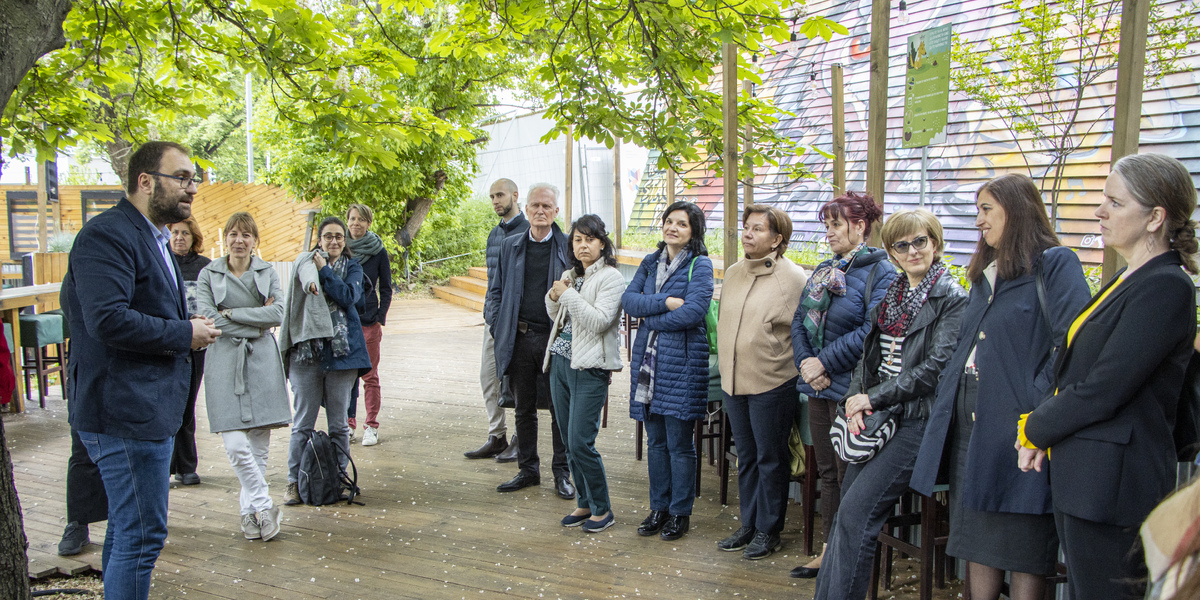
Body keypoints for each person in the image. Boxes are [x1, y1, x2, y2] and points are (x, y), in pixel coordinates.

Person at [1018, 153, 1199, 600]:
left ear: (1156, 217)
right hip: (1085, 476)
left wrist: (1036, 427)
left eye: (1115, 203)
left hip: (1115, 485)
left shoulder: (1167, 286)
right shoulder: (1130, 277)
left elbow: (1105, 387)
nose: (1100, 211)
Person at [907, 174, 1091, 600]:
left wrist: (1037, 401)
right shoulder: (987, 275)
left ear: (1018, 209)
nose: (978, 221)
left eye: (987, 209)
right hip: (972, 426)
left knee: (1025, 548)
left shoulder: (1056, 263)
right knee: (977, 541)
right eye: (977, 210)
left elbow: (1074, 344)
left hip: (1021, 430)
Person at [62, 140, 221, 600]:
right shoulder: (107, 235)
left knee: (128, 532)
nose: (192, 188)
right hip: (124, 412)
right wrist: (184, 334)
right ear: (145, 181)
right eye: (183, 178)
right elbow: (107, 319)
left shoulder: (152, 236)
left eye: (195, 179)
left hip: (145, 410)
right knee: (143, 536)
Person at [812, 209, 967, 600]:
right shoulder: (894, 295)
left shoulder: (952, 298)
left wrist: (872, 397)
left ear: (936, 243)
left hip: (918, 422)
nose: (913, 250)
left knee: (856, 516)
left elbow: (935, 369)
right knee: (847, 511)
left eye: (921, 241)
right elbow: (869, 358)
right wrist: (857, 402)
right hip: (880, 416)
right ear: (892, 252)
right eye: (902, 244)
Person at [788, 192, 895, 579]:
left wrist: (824, 361)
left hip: (851, 390)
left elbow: (871, 331)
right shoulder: (824, 269)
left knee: (851, 474)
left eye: (836, 224)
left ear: (860, 226)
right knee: (828, 473)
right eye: (827, 225)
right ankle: (828, 550)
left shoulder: (882, 272)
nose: (829, 232)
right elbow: (799, 320)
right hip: (818, 387)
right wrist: (805, 364)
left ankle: (846, 554)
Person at [716, 205, 809, 559]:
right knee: (748, 455)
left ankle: (769, 530)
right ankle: (749, 523)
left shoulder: (793, 278)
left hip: (772, 380)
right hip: (734, 381)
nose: (748, 234)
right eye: (746, 227)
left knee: (771, 457)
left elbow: (804, 330)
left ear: (777, 239)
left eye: (758, 229)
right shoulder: (736, 272)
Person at [622, 201, 714, 542]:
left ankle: (680, 513)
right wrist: (664, 302)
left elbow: (694, 312)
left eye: (682, 224)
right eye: (669, 221)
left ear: (694, 231)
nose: (673, 228)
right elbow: (629, 301)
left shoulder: (700, 265)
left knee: (679, 443)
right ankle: (658, 508)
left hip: (682, 366)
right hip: (648, 364)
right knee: (656, 441)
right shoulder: (649, 262)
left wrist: (651, 316)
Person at [195, 212, 291, 540]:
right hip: (224, 361)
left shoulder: (266, 271)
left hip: (262, 361)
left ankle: (248, 514)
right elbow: (208, 319)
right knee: (236, 443)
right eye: (233, 234)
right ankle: (264, 505)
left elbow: (278, 313)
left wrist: (233, 313)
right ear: (225, 238)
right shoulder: (209, 273)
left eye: (246, 235)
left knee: (258, 446)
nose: (239, 240)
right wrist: (256, 321)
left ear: (255, 241)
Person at [485, 182, 573, 498]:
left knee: (559, 409)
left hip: (555, 340)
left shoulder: (567, 246)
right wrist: (498, 326)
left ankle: (562, 473)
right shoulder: (511, 246)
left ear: (556, 212)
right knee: (523, 409)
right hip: (520, 337)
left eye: (546, 207)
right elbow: (495, 291)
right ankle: (528, 470)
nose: (540, 211)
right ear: (526, 208)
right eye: (535, 205)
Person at [281, 216, 373, 505]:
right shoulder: (304, 264)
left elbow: (348, 296)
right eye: (328, 236)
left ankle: (338, 479)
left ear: (345, 241)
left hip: (342, 355)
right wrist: (317, 270)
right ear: (318, 240)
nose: (334, 241)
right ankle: (293, 482)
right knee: (302, 423)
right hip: (307, 354)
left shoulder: (353, 267)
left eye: (339, 237)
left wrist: (327, 273)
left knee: (338, 425)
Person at [544, 214, 625, 533]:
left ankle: (603, 509)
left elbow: (598, 321)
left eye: (589, 239)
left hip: (590, 368)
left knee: (581, 441)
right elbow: (559, 316)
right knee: (567, 439)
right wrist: (553, 297)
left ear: (602, 243)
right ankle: (585, 501)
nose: (583, 245)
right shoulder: (570, 275)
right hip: (560, 364)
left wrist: (566, 294)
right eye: (577, 239)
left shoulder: (611, 278)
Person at [465, 178, 529, 461]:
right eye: (492, 196)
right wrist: (490, 314)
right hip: (493, 320)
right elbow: (493, 282)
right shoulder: (494, 234)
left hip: (519, 324)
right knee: (488, 378)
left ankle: (520, 438)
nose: (495, 201)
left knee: (517, 383)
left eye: (500, 195)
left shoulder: (529, 231)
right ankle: (497, 436)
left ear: (515, 195)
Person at [344, 203, 393, 447]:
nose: (355, 223)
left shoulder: (378, 251)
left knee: (369, 376)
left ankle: (371, 425)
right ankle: (348, 423)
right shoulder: (339, 247)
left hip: (368, 322)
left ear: (368, 223)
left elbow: (385, 287)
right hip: (343, 322)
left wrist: (379, 316)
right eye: (352, 219)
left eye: (361, 219)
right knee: (345, 376)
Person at [168, 216, 211, 485]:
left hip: (196, 346)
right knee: (167, 403)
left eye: (185, 233)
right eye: (174, 232)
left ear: (194, 237)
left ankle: (186, 465)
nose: (179, 237)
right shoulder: (161, 263)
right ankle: (166, 466)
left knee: (187, 404)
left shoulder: (205, 267)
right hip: (167, 341)